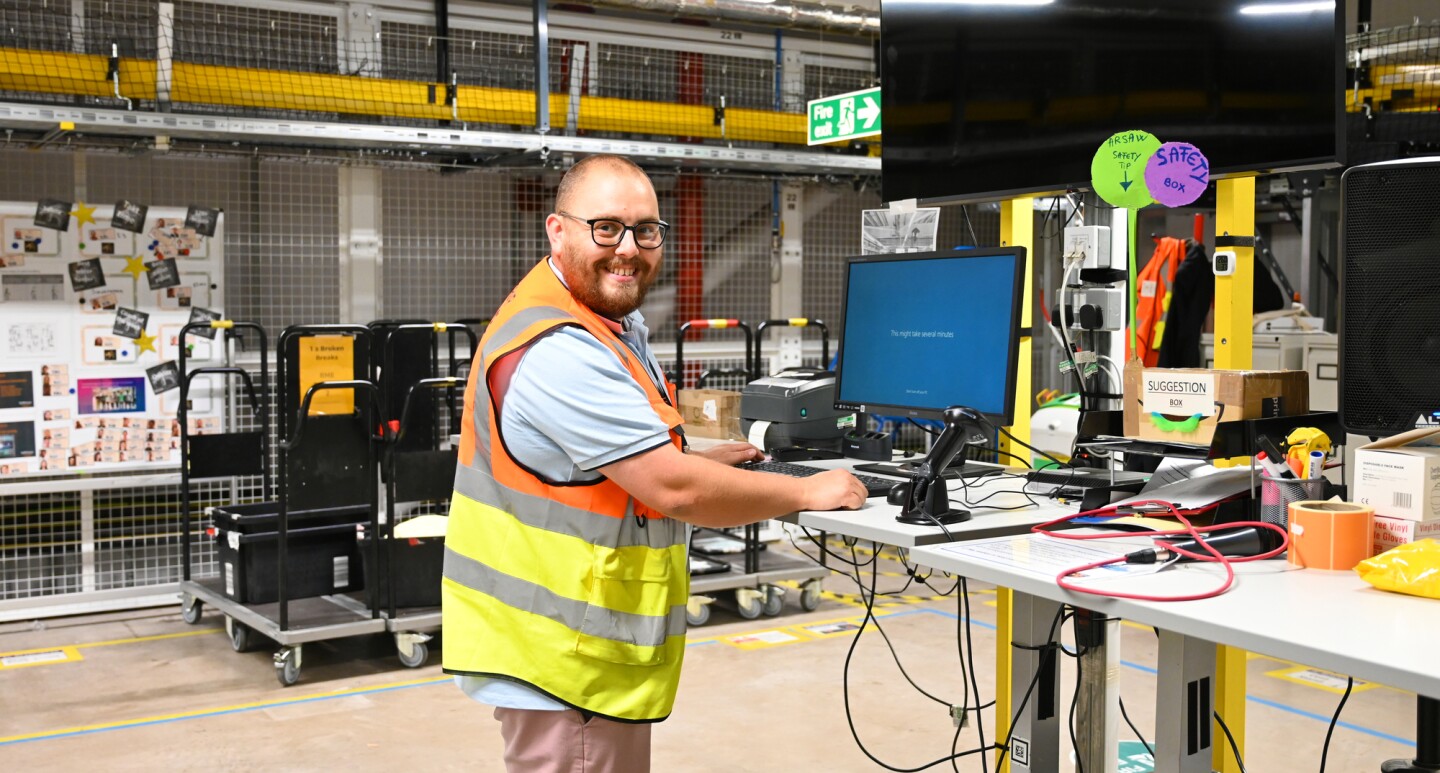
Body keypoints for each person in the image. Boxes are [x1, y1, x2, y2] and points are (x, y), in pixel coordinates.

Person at [442, 154, 865, 773]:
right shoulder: (559, 345)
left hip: (566, 648)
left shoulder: (603, 322)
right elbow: (675, 491)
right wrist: (805, 492)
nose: (629, 248)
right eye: (606, 227)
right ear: (558, 231)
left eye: (646, 229)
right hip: (567, 662)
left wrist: (694, 457)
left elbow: (634, 464)